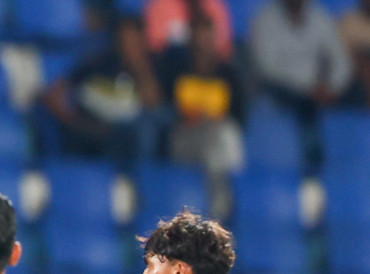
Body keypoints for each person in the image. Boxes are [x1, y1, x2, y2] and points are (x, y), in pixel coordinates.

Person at [40, 15, 168, 165]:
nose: (126, 45)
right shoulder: (100, 64)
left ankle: (144, 175)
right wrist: (72, 120)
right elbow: (53, 93)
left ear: (142, 40)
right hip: (100, 130)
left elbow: (153, 102)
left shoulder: (156, 65)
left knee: (145, 130)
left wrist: (137, 65)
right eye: (122, 39)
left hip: (134, 130)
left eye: (132, 39)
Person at [157, 15, 246, 175]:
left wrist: (214, 120)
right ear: (190, 42)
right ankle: (221, 194)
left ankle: (224, 190)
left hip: (217, 134)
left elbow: (239, 119)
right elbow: (164, 110)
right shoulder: (176, 72)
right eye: (198, 40)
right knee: (219, 142)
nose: (202, 46)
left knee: (224, 138)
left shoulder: (228, 76)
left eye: (207, 39)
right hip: (184, 137)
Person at [249, 0, 352, 116]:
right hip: (282, 91)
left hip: (318, 91)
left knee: (355, 93)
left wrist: (333, 87)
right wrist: (306, 88)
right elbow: (267, 67)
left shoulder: (319, 16)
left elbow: (339, 58)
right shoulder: (265, 19)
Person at [144, 0, 233, 58]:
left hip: (209, 72)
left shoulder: (213, 6)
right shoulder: (162, 5)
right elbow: (154, 45)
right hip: (171, 69)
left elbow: (224, 48)